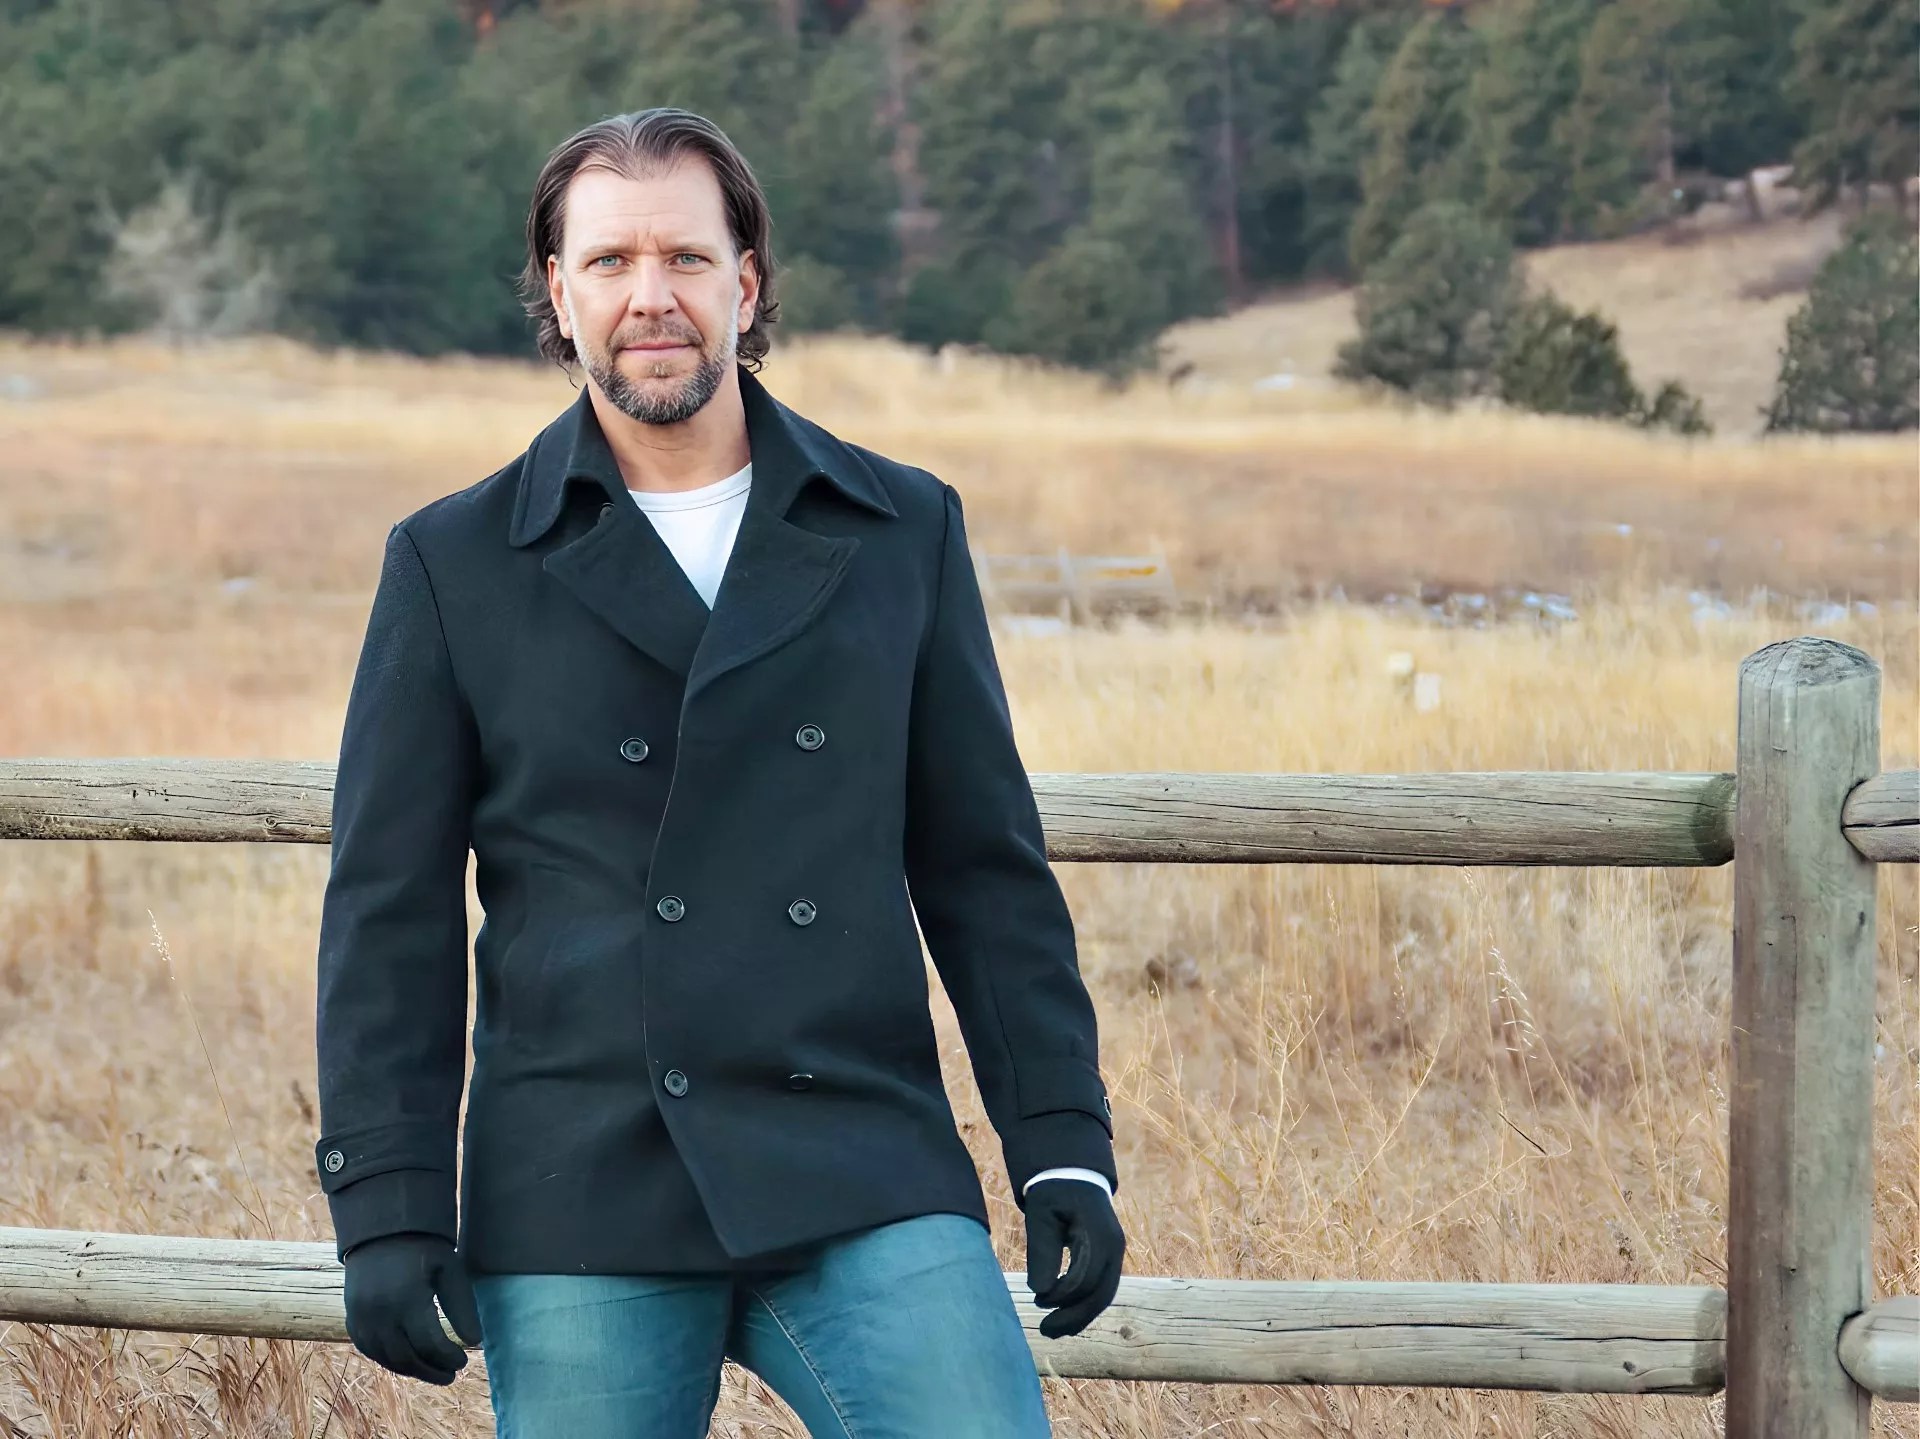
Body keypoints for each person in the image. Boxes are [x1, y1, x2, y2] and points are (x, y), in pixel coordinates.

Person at [310, 108, 1125, 1437]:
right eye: (611, 263)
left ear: (746, 283)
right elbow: (387, 911)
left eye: (687, 259)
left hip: (856, 1153)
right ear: (557, 297)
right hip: (581, 1177)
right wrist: (387, 1204)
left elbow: (984, 870)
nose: (653, 298)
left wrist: (1063, 1146)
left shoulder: (897, 526)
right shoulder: (454, 564)